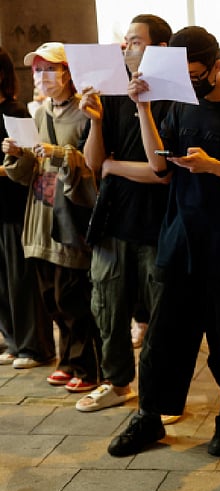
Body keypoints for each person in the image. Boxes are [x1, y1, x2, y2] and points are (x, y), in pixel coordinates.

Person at [107, 26, 220, 458]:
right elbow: (159, 167)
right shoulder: (180, 105)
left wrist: (214, 166)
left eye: (195, 73)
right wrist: (143, 109)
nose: (189, 81)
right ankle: (149, 416)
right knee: (164, 335)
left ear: (217, 65)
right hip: (180, 237)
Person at [74, 14, 173, 413]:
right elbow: (93, 163)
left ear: (161, 49)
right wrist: (96, 122)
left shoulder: (172, 97)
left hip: (158, 223)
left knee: (162, 314)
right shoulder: (113, 94)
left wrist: (115, 167)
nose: (126, 48)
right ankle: (117, 383)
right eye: (126, 42)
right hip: (114, 219)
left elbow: (163, 172)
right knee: (108, 307)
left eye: (135, 41)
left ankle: (162, 393)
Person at [1, 42, 99, 392]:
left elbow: (92, 165)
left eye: (49, 69)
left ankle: (86, 367)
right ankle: (67, 361)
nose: (42, 76)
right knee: (50, 298)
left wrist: (59, 154)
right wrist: (17, 155)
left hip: (69, 215)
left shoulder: (85, 111)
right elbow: (28, 172)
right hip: (40, 214)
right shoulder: (39, 113)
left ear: (68, 73)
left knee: (73, 295)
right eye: (37, 70)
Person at [0, 46, 55, 369]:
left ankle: (34, 347)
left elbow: (30, 161)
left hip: (14, 206)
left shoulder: (16, 111)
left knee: (21, 280)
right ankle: (13, 340)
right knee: (2, 282)